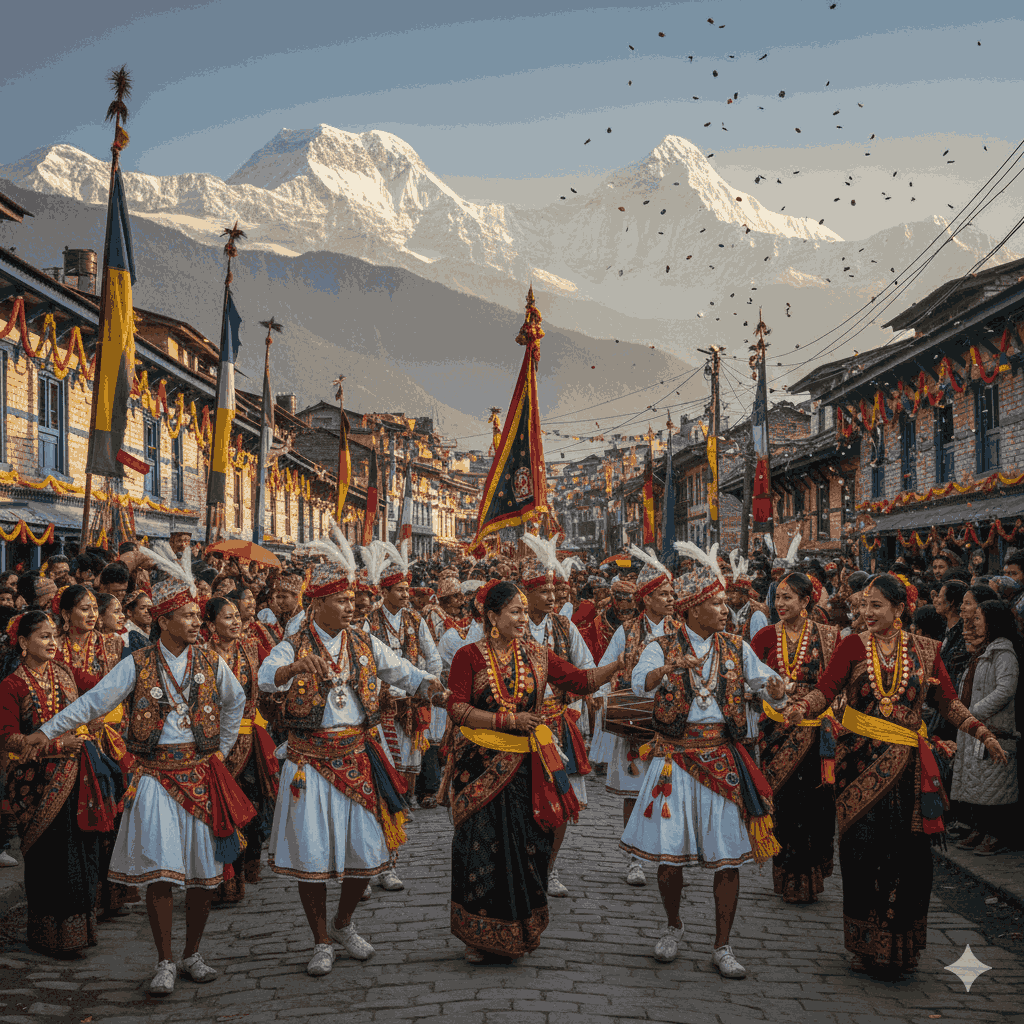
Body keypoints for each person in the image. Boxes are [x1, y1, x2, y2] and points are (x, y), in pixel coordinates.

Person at [20, 543, 251, 995]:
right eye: (186, 615)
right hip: (155, 779)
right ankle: (164, 960)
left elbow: (236, 701)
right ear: (163, 621)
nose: (196, 622)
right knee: (160, 873)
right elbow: (92, 703)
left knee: (204, 874)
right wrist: (45, 732)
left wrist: (221, 751)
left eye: (196, 614)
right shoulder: (138, 664)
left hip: (200, 774)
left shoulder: (210, 661)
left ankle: (192, 953)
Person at [783, 573, 1009, 976]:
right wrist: (802, 707)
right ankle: (864, 944)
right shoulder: (853, 645)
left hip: (908, 773)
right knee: (861, 852)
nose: (867, 613)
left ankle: (900, 945)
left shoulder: (926, 650)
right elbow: (827, 688)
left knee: (907, 859)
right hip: (857, 768)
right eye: (864, 605)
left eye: (877, 606)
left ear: (899, 608)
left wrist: (982, 732)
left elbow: (948, 701)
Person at [258, 532, 444, 977]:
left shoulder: (363, 642)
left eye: (350, 599)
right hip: (309, 761)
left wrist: (436, 688)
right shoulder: (293, 643)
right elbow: (266, 677)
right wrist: (291, 669)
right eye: (340, 600)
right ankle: (320, 939)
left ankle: (343, 923)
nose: (350, 606)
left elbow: (405, 672)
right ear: (318, 603)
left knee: (367, 852)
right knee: (312, 856)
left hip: (358, 756)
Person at [622, 543, 787, 977]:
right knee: (668, 855)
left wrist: (777, 692)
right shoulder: (662, 645)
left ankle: (722, 944)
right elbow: (639, 683)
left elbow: (768, 683)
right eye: (716, 603)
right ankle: (673, 925)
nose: (725, 610)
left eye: (724, 602)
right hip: (674, 760)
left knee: (728, 856)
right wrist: (667, 669)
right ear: (694, 608)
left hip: (722, 759)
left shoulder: (735, 647)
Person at [442, 580, 622, 962]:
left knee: (529, 846)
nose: (524, 618)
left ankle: (520, 931)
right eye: (515, 611)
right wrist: (507, 721)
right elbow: (456, 708)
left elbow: (580, 680)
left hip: (526, 767)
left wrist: (618, 666)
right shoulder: (468, 656)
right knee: (481, 850)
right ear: (493, 617)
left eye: (525, 611)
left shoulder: (538, 655)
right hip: (479, 769)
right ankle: (478, 937)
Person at [0, 611, 116, 954]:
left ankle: (79, 933)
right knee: (49, 857)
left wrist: (92, 721)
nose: (52, 642)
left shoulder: (64, 673)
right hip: (34, 785)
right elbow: (7, 738)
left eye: (54, 636)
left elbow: (93, 698)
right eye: (44, 636)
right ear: (24, 643)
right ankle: (47, 936)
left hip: (76, 774)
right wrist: (55, 746)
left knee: (81, 852)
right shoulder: (11, 686)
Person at [751, 573, 840, 904]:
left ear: (806, 601)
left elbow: (837, 682)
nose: (780, 604)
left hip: (815, 731)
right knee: (783, 805)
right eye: (778, 597)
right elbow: (748, 677)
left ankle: (808, 877)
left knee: (813, 806)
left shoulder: (829, 637)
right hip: (775, 731)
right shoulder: (764, 636)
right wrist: (770, 691)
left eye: (787, 597)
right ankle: (786, 875)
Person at [518, 534, 596, 898]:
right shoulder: (509, 625)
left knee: (562, 801)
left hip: (556, 724)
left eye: (553, 590)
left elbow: (585, 667)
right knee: (521, 800)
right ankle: (522, 866)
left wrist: (577, 704)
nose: (551, 597)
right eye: (543, 591)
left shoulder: (565, 627)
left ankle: (549, 869)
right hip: (518, 726)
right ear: (526, 593)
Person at [597, 549, 678, 888]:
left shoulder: (681, 631)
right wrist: (601, 696)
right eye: (663, 594)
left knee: (669, 791)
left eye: (672, 593)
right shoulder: (627, 631)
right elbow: (607, 665)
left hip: (671, 723)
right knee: (634, 792)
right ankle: (635, 859)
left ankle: (667, 857)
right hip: (635, 723)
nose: (670, 599)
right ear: (646, 598)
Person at [205, 596, 278, 901]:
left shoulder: (251, 647)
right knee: (221, 810)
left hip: (249, 740)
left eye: (237, 616)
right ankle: (223, 879)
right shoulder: (202, 655)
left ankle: (248, 867)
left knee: (252, 806)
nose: (235, 622)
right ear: (211, 625)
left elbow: (273, 675)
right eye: (227, 617)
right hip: (215, 744)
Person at [950, 601, 1020, 856]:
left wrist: (975, 712)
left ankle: (997, 835)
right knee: (979, 784)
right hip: (976, 727)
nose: (974, 623)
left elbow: (1005, 690)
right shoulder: (985, 650)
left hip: (993, 727)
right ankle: (980, 829)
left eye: (979, 618)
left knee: (996, 785)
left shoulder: (1004, 654)